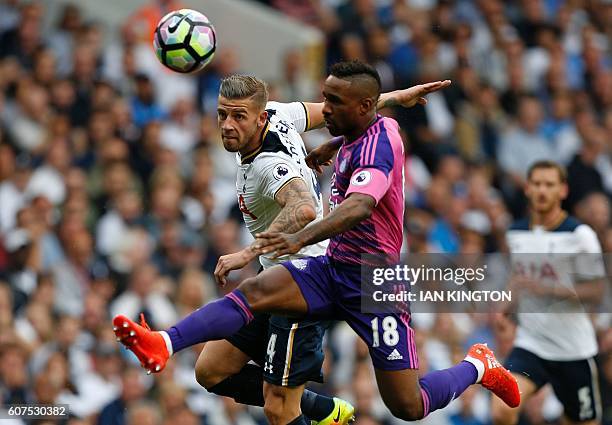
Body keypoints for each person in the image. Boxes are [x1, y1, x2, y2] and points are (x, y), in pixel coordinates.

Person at [114, 60, 519, 423]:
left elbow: (352, 207)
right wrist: (383, 107)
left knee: (406, 407)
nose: (324, 109)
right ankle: (164, 342)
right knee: (235, 327)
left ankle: (477, 365)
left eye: (333, 102)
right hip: (329, 267)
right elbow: (340, 113)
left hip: (370, 281)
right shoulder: (281, 115)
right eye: (222, 115)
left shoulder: (373, 148)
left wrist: (270, 245)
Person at [492, 160, 605, 425]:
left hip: (573, 350)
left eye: (549, 184)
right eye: (537, 184)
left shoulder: (580, 235)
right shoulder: (516, 232)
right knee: (502, 409)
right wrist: (504, 308)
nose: (543, 190)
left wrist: (548, 289)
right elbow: (518, 277)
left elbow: (598, 290)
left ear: (562, 191)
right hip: (532, 345)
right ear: (527, 188)